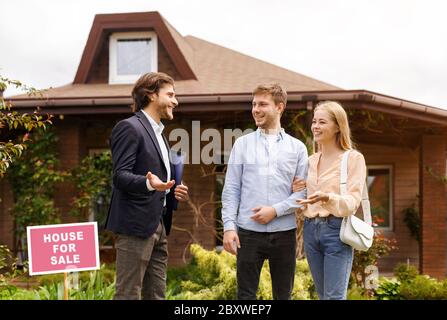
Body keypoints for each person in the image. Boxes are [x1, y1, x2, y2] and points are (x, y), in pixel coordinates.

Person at [106, 72, 189, 300]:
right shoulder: (130, 127)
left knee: (156, 295)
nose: (175, 101)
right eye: (170, 95)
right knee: (128, 295)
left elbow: (159, 181)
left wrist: (172, 189)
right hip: (135, 225)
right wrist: (148, 183)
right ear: (151, 95)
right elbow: (120, 176)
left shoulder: (161, 135)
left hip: (159, 223)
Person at [221, 83, 308, 300]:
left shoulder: (297, 148)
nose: (255, 109)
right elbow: (231, 188)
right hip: (248, 233)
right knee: (245, 297)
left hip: (284, 234)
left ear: (280, 107)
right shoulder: (242, 145)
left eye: (262, 104)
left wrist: (275, 210)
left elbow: (303, 193)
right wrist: (229, 227)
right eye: (253, 104)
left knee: (283, 296)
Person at [293, 100, 367, 300]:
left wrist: (328, 198)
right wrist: (295, 192)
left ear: (337, 126)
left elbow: (353, 201)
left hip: (336, 231)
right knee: (323, 295)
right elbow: (300, 195)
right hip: (310, 230)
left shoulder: (352, 159)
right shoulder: (310, 161)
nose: (316, 126)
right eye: (314, 121)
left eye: (322, 122)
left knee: (334, 297)